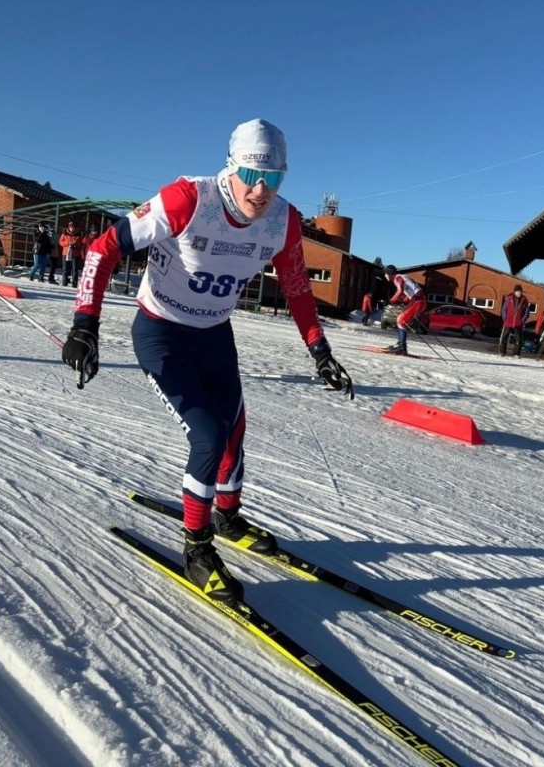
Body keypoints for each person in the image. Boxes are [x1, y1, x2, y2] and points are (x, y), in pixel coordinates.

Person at [60, 118, 354, 605]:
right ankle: (197, 550)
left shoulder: (283, 221)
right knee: (208, 435)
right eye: (251, 176)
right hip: (161, 334)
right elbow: (103, 248)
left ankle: (228, 515)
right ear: (231, 168)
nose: (261, 190)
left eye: (274, 178)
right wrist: (84, 326)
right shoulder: (188, 200)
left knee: (235, 430)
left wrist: (320, 352)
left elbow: (299, 290)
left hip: (215, 335)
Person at [381, 265, 427, 355]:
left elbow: (400, 290)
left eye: (385, 274)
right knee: (401, 319)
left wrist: (390, 301)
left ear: (389, 274)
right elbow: (408, 293)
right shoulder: (403, 277)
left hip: (418, 301)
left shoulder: (397, 278)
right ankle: (400, 344)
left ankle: (402, 347)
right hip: (418, 300)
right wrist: (402, 300)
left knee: (401, 320)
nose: (385, 276)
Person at [498, 284, 530, 357]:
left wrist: (523, 320)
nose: (519, 293)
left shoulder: (524, 300)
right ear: (514, 292)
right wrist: (505, 318)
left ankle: (516, 354)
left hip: (518, 323)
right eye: (517, 291)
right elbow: (504, 309)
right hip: (508, 322)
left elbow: (527, 312)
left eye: (520, 291)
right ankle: (502, 352)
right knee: (504, 338)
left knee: (518, 340)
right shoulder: (509, 298)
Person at [59, 221, 83, 287]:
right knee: (65, 268)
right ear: (68, 227)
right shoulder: (64, 233)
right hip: (66, 253)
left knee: (75, 269)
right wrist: (67, 244)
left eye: (73, 227)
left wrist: (76, 245)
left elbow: (81, 244)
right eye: (70, 227)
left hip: (75, 254)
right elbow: (60, 242)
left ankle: (74, 283)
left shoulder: (78, 234)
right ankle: (65, 282)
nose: (72, 228)